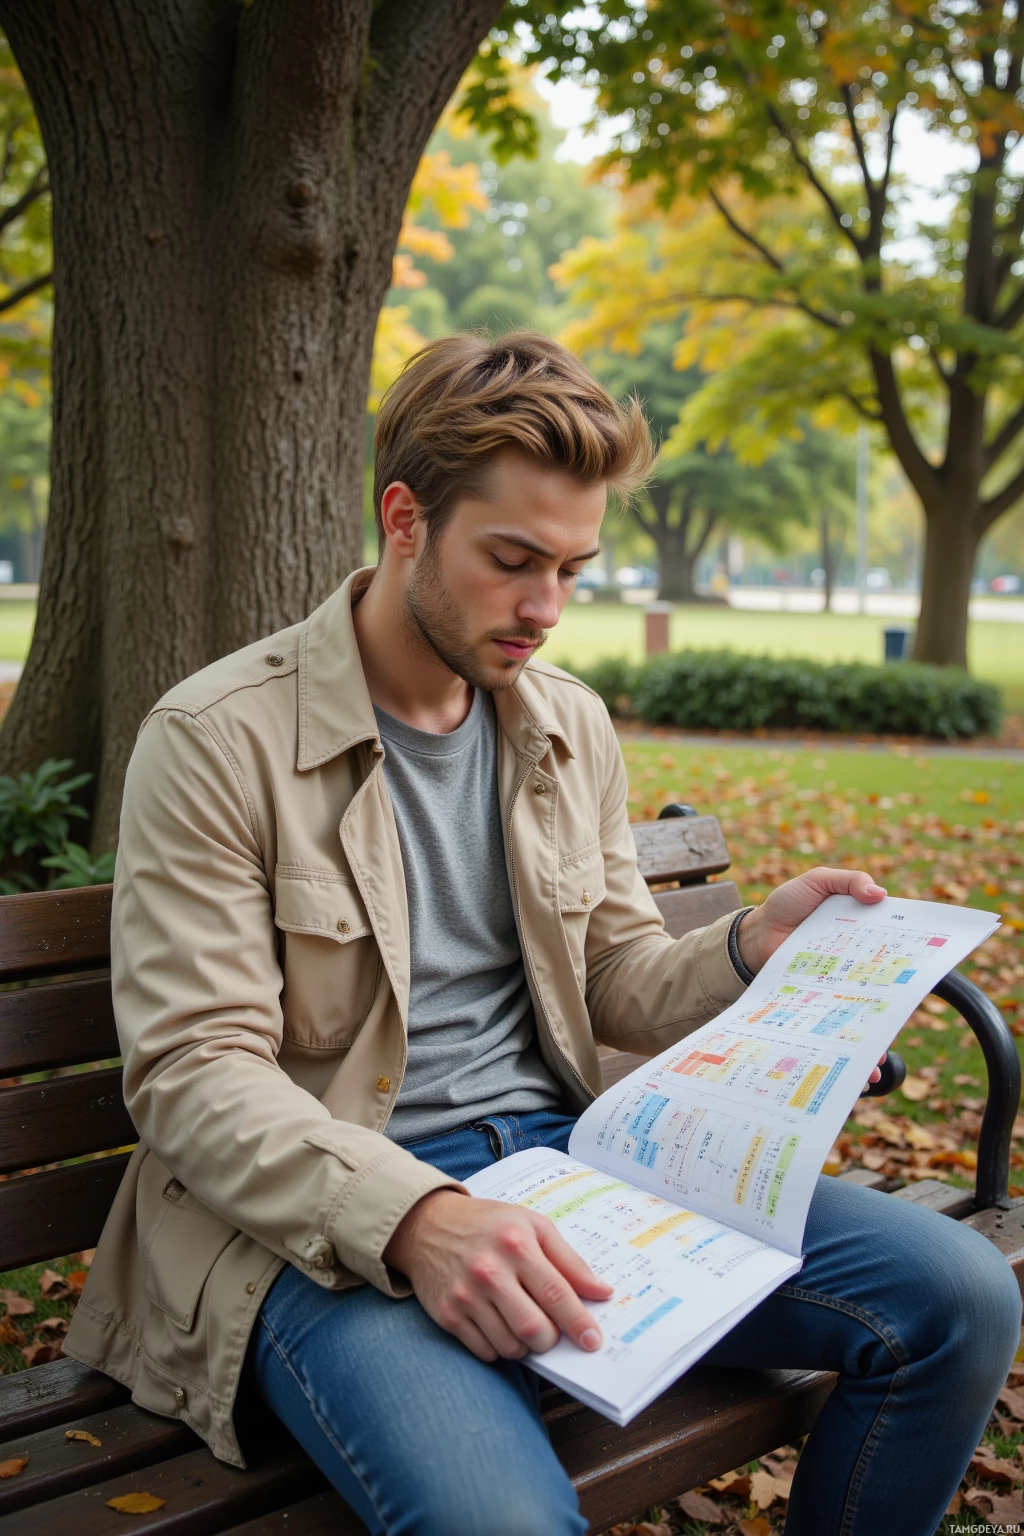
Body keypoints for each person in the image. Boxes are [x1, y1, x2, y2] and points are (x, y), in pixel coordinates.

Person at [65, 333, 1020, 1536]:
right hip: (329, 1230)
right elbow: (194, 1075)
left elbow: (616, 975)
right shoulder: (216, 739)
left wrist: (743, 951)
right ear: (403, 518)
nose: (545, 610)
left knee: (956, 1296)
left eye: (573, 568)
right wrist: (419, 1220)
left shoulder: (562, 720)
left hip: (580, 1166)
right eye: (512, 560)